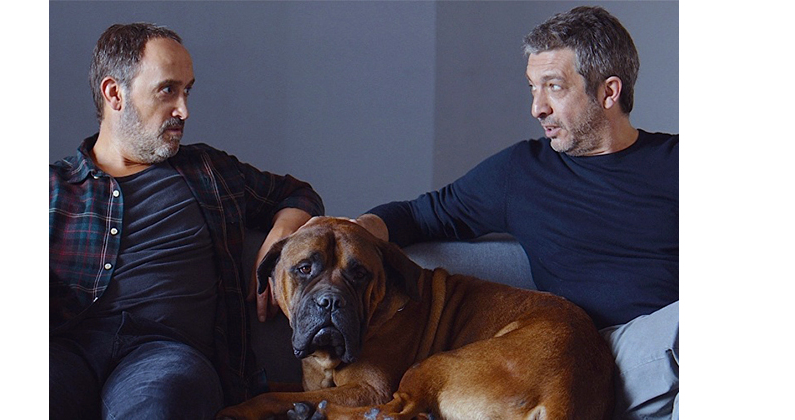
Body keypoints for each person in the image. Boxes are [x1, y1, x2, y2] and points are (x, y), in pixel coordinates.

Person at [353, 6, 678, 420]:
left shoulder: (679, 162)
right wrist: (352, 230)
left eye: (553, 87)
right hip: (600, 362)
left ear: (608, 92)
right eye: (532, 88)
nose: (537, 108)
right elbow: (419, 215)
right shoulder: (521, 173)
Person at [49, 23, 324, 419]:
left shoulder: (208, 171)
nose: (184, 110)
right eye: (167, 90)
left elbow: (297, 193)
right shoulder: (54, 189)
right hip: (67, 349)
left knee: (165, 400)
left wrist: (280, 237)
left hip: (163, 355)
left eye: (187, 91)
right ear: (114, 94)